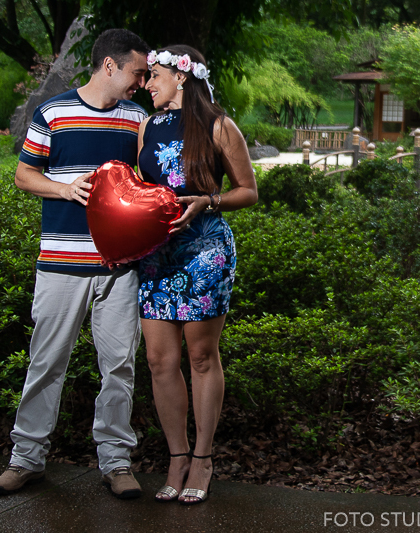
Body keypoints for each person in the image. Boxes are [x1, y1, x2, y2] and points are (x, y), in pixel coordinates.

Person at [0, 29, 151, 500]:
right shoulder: (53, 111)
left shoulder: (136, 118)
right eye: (137, 73)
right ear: (109, 66)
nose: (141, 82)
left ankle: (117, 462)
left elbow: (147, 182)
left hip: (119, 269)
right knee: (46, 363)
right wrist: (64, 189)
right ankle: (25, 460)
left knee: (119, 367)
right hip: (60, 264)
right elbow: (23, 174)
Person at [133, 45, 258, 504]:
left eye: (155, 75)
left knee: (202, 358)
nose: (147, 84)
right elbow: (139, 187)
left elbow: (249, 191)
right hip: (156, 253)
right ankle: (176, 456)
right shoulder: (147, 126)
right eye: (146, 76)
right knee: (159, 361)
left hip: (205, 251)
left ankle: (203, 458)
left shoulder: (219, 126)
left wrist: (210, 201)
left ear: (182, 77)